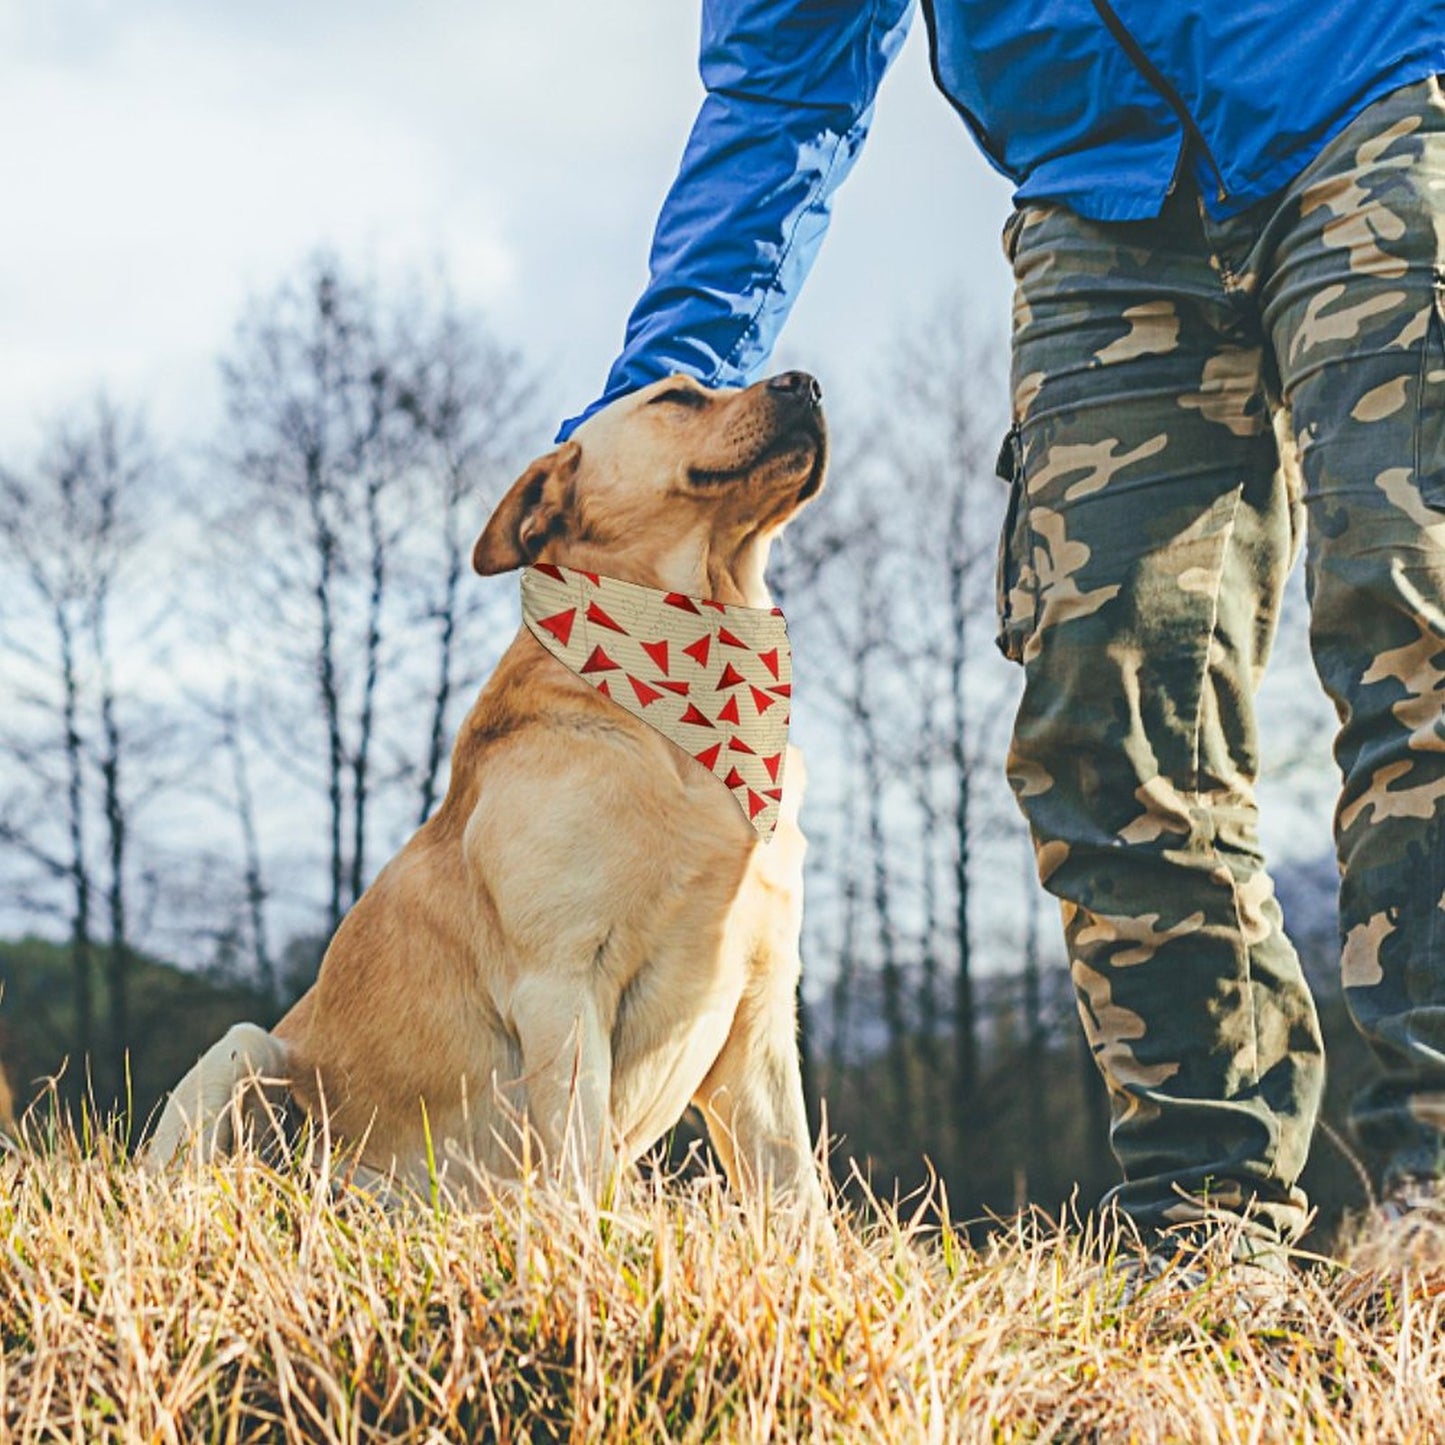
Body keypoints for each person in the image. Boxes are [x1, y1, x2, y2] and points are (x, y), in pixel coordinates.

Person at [559, 0, 1445, 1263]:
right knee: (1105, 717)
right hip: (1100, 199)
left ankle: (1434, 1201)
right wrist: (651, 416)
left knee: (1414, 621)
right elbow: (780, 92)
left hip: (1369, 87)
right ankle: (1206, 1230)